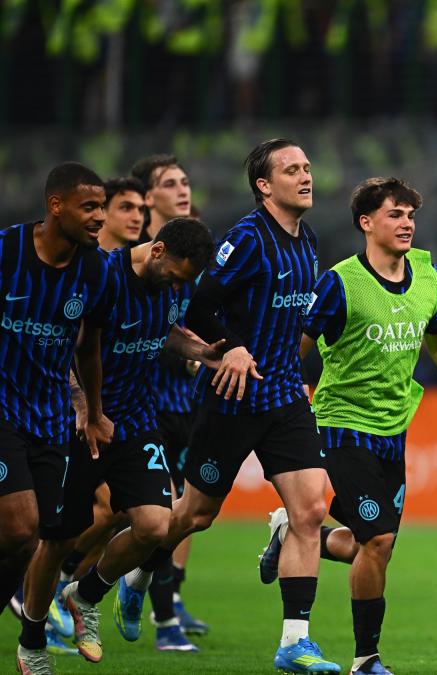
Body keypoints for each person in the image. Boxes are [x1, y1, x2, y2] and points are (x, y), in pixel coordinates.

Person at [117, 139, 340, 674]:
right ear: (264, 185)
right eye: (292, 170)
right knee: (195, 514)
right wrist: (231, 347)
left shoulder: (306, 239)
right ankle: (137, 574)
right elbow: (198, 305)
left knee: (309, 510)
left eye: (307, 167)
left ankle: (294, 642)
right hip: (232, 398)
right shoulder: (245, 239)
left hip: (284, 394)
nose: (305, 176)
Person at [258, 177, 437, 675]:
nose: (406, 223)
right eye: (394, 214)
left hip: (393, 430)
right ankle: (366, 659)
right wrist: (289, 389)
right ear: (366, 223)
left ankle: (294, 532)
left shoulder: (428, 276)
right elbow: (295, 343)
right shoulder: (339, 282)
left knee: (375, 545)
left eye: (410, 215)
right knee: (378, 537)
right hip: (340, 425)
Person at [19, 218, 219, 671]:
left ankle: (85, 594)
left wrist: (200, 353)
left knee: (155, 525)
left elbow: (165, 329)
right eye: (174, 275)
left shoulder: (175, 284)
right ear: (158, 250)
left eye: (183, 282)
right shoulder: (101, 275)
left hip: (136, 423)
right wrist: (85, 409)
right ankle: (31, 640)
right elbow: (68, 343)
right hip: (83, 425)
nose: (176, 286)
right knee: (57, 539)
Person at [0, 163, 114, 671]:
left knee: (46, 536)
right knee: (20, 524)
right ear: (55, 206)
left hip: (50, 416)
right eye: (89, 207)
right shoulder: (7, 251)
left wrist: (92, 408)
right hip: (2, 408)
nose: (98, 217)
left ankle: (27, 637)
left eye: (101, 207)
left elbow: (89, 346)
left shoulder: (94, 268)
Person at [130, 153, 209, 638]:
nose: (183, 189)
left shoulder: (191, 259)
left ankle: (169, 597)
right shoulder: (134, 259)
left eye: (186, 181)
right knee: (156, 509)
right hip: (140, 404)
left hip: (185, 402)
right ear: (146, 197)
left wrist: (203, 351)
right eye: (170, 183)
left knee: (182, 508)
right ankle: (161, 614)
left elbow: (187, 320)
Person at [97, 177, 146, 251]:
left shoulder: (148, 259)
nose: (137, 218)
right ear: (102, 212)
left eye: (141, 210)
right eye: (126, 208)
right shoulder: (76, 254)